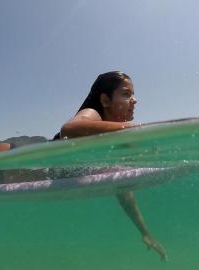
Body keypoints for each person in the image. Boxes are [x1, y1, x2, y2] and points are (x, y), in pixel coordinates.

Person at [54, 71, 167, 260]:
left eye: (133, 94)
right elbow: (69, 129)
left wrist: (145, 232)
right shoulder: (93, 114)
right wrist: (137, 131)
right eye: (126, 93)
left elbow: (122, 185)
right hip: (18, 170)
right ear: (105, 100)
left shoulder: (114, 141)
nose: (135, 100)